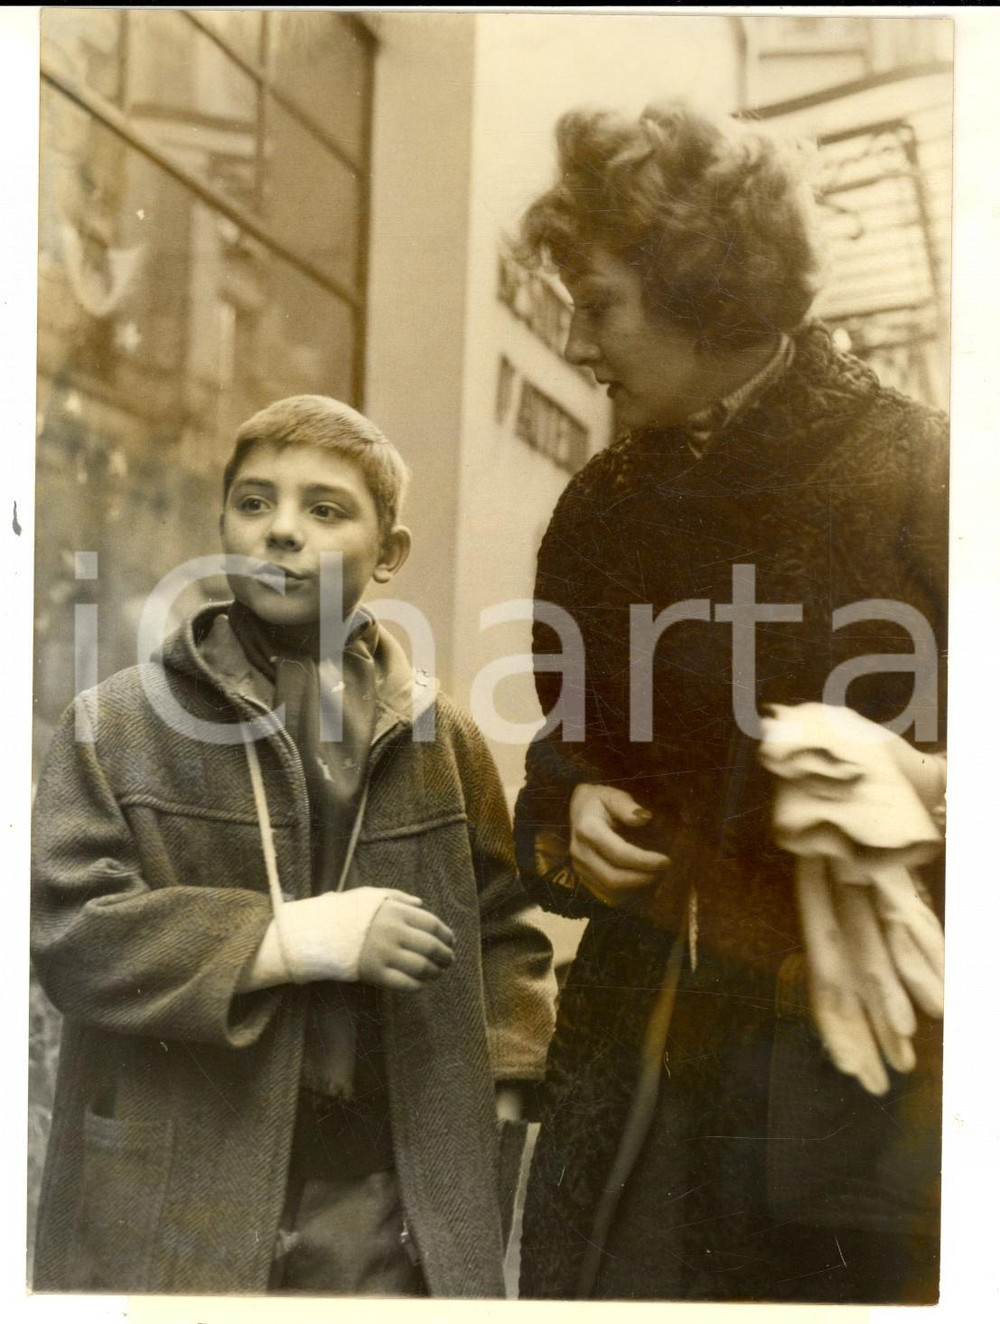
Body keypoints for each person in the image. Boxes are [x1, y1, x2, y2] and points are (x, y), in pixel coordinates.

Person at [512, 104, 947, 1304]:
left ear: (701, 286)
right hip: (640, 1061)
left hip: (863, 1061)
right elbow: (569, 735)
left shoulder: (928, 471)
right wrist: (570, 801)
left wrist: (930, 789)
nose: (577, 332)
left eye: (596, 301)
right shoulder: (599, 505)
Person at [31, 395, 556, 1296]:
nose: (280, 532)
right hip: (182, 1187)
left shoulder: (443, 736)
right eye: (254, 503)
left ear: (389, 553)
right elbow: (70, 933)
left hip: (385, 1206)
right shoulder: (117, 725)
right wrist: (289, 940)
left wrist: (502, 1095)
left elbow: (503, 929)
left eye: (325, 510)